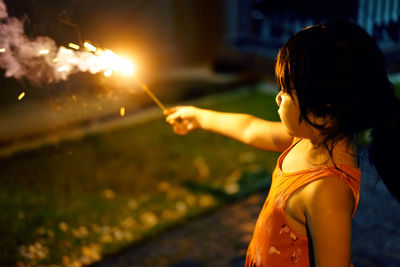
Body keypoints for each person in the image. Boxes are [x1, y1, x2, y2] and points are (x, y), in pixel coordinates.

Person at [165, 20, 400, 266]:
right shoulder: (307, 139)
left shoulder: (327, 191)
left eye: (287, 90)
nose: (278, 97)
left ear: (325, 110)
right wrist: (199, 117)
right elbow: (250, 129)